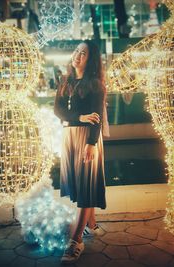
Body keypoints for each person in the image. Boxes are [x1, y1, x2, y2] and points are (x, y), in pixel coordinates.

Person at [54, 40, 108, 264]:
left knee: (87, 184)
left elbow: (95, 118)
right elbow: (57, 110)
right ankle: (92, 225)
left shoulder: (95, 84)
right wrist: (78, 118)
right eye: (77, 51)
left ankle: (76, 241)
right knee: (81, 183)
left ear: (90, 58)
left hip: (88, 139)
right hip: (70, 137)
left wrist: (92, 143)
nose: (77, 55)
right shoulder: (65, 80)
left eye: (83, 53)